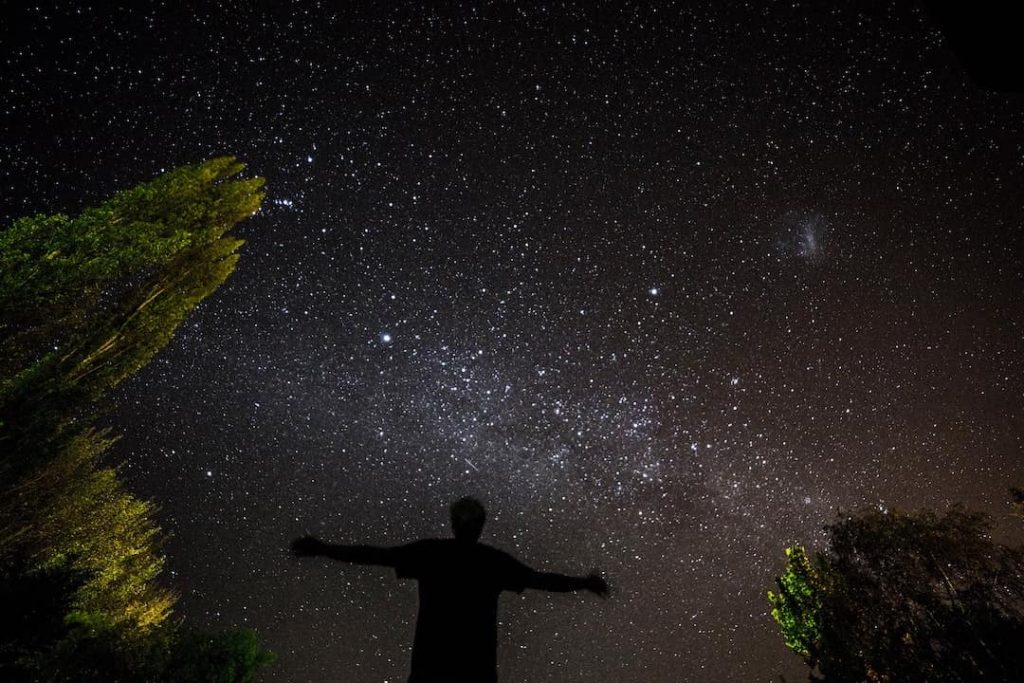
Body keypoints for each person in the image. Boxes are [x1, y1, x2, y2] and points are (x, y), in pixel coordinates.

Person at [291, 496, 609, 682]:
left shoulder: (432, 553)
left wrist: (324, 548)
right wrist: (584, 583)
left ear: (453, 524)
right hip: (476, 673)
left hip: (431, 670)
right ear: (481, 526)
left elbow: (374, 555)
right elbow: (544, 580)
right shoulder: (493, 562)